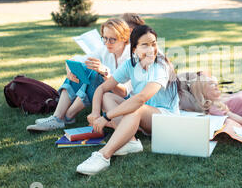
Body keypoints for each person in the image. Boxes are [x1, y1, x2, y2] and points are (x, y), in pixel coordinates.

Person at [76, 25, 180, 176]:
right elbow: (101, 89)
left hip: (165, 118)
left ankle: (103, 155)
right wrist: (95, 113)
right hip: (140, 117)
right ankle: (131, 142)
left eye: (154, 43)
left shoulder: (160, 66)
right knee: (108, 96)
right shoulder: (130, 64)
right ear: (134, 49)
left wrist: (106, 117)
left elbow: (141, 99)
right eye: (145, 45)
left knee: (136, 107)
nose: (151, 49)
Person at [26, 18, 132, 132]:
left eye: (112, 40)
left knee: (95, 75)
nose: (107, 43)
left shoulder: (131, 58)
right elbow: (77, 60)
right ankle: (58, 117)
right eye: (105, 38)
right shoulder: (105, 49)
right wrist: (70, 70)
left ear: (124, 38)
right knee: (82, 69)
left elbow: (124, 92)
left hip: (122, 101)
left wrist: (106, 74)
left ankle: (66, 116)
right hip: (104, 93)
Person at [178, 72, 242, 126]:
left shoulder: (223, 96)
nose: (216, 85)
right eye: (210, 84)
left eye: (215, 82)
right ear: (202, 92)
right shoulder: (215, 107)